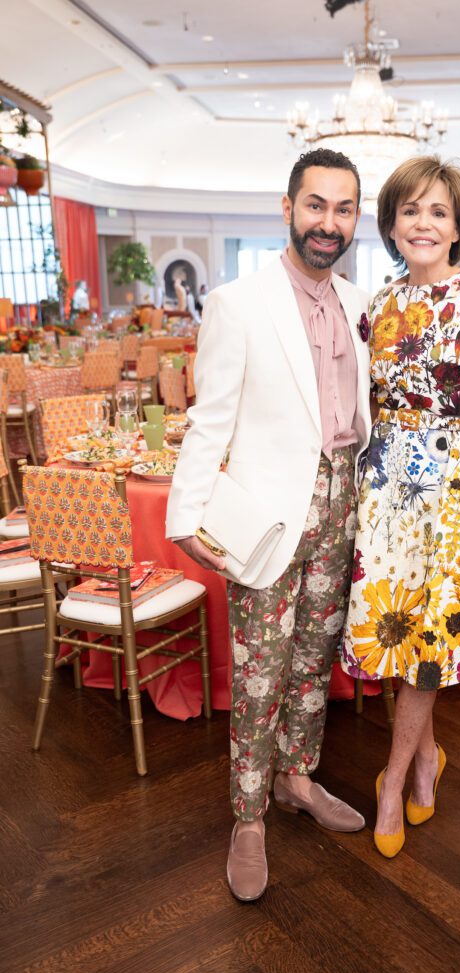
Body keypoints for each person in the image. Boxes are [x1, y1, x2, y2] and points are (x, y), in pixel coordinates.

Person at [166, 149, 372, 901]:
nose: (328, 222)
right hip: (266, 513)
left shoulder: (359, 304)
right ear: (287, 208)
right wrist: (185, 512)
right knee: (259, 672)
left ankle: (296, 778)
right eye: (315, 205)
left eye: (343, 208)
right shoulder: (237, 302)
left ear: (356, 218)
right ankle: (247, 817)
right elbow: (209, 417)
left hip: (342, 501)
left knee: (315, 661)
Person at [340, 155, 460, 859]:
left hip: (455, 489)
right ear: (390, 224)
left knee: (431, 638)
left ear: (457, 227)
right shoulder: (379, 305)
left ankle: (391, 779)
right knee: (394, 633)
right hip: (384, 488)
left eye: (438, 212)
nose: (423, 223)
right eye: (410, 210)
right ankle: (424, 759)